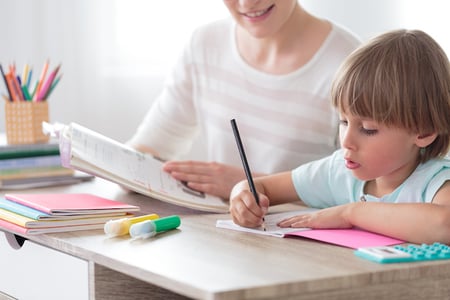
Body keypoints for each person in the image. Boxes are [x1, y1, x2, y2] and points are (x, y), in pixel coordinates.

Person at [229, 29, 450, 245]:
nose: (346, 141)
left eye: (368, 129)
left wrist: (350, 213)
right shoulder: (339, 171)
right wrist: (242, 197)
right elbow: (261, 187)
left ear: (424, 132)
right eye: (344, 122)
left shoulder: (436, 181)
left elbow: (444, 225)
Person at [127, 1, 361, 199]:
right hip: (221, 234)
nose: (246, 4)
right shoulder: (205, 44)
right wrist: (123, 170)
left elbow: (364, 191)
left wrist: (251, 184)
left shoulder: (351, 66)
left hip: (303, 244)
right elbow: (152, 144)